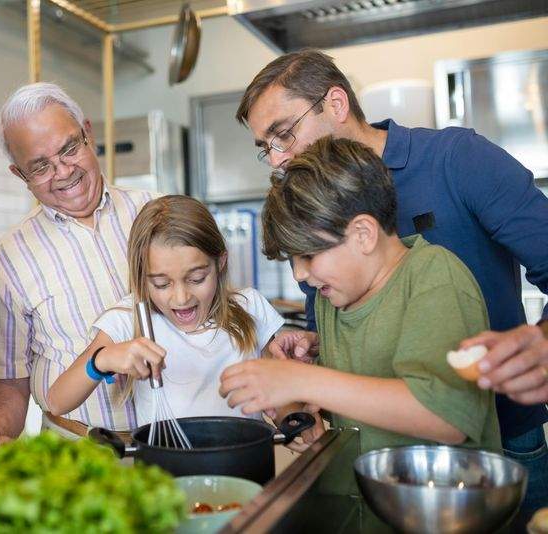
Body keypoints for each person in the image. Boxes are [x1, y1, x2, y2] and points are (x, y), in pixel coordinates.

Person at [236, 49, 548, 513]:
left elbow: (444, 410)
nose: (279, 159)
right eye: (267, 148)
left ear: (336, 104)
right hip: (381, 456)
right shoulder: (311, 207)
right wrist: (311, 349)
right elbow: (343, 323)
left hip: (499, 442)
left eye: (284, 134)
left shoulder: (457, 160)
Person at [220, 137, 501, 460]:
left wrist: (304, 380)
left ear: (363, 235)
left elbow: (446, 417)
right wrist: (303, 399)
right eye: (293, 260)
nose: (299, 274)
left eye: (309, 255)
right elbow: (355, 394)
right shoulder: (335, 298)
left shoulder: (434, 276)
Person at [0, 83, 154, 446]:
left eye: (69, 149)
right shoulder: (8, 260)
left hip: (176, 438)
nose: (63, 172)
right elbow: (10, 380)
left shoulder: (156, 212)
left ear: (88, 133)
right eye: (41, 166)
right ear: (20, 175)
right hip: (79, 452)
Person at [47, 195, 288, 428]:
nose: (181, 298)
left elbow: (282, 397)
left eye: (196, 278)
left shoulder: (250, 307)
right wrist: (101, 360)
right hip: (163, 469)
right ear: (142, 276)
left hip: (247, 465)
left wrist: (292, 418)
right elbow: (57, 402)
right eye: (162, 284)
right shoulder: (127, 321)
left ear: (220, 262)